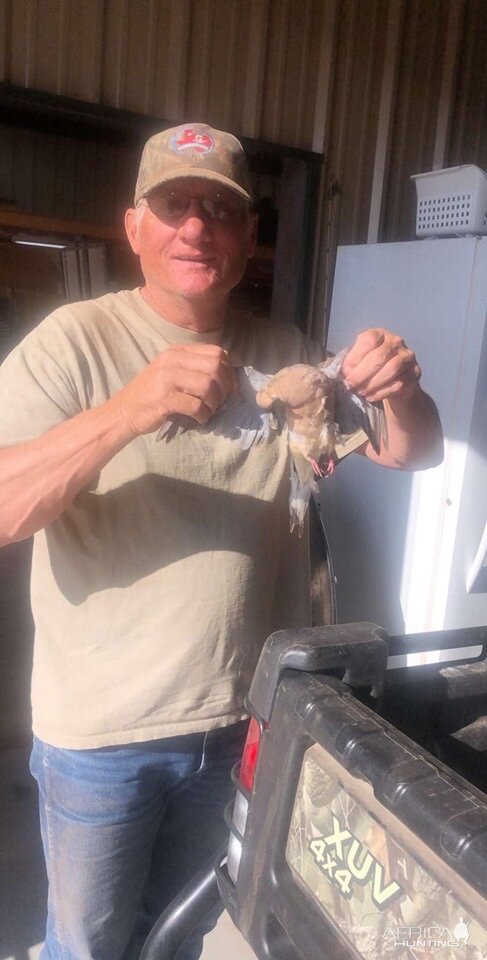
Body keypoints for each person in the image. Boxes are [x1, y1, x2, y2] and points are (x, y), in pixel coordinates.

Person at [0, 122, 443, 960]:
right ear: (135, 226)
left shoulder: (284, 355)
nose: (195, 228)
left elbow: (408, 452)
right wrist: (130, 410)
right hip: (101, 736)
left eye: (220, 211)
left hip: (245, 719)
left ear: (247, 239)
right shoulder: (73, 343)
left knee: (183, 932)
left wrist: (403, 391)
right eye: (173, 206)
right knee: (87, 946)